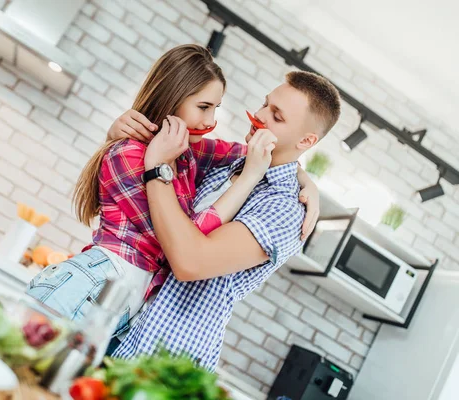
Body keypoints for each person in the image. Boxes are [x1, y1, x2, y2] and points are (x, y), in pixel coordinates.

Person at [27, 45, 318, 346]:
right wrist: (248, 179)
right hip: (88, 286)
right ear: (173, 100)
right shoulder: (129, 155)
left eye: (215, 108)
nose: (210, 121)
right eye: (203, 107)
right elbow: (179, 241)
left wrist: (305, 179)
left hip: (113, 304)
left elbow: (264, 155)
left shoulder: (188, 154)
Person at [111, 70, 341, 371]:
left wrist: (157, 169)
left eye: (277, 116)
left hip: (160, 360)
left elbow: (191, 262)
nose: (258, 116)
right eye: (264, 104)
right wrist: (117, 133)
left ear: (307, 139)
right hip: (120, 326)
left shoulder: (285, 210)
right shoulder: (229, 162)